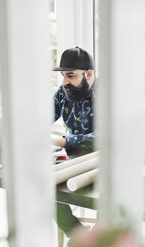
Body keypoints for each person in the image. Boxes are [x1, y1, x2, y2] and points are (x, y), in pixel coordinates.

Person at [52, 47, 96, 237]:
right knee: (45, 186)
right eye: (63, 76)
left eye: (70, 76)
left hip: (101, 162)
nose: (64, 82)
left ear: (88, 74)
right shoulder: (63, 92)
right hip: (72, 160)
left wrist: (62, 141)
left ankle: (102, 238)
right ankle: (79, 236)